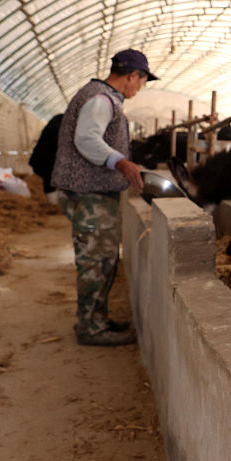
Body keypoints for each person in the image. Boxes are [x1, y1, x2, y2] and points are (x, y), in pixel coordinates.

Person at [51, 49, 156, 346]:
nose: (140, 87)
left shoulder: (102, 97)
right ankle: (90, 329)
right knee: (95, 260)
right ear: (132, 75)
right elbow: (86, 139)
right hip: (91, 194)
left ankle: (96, 320)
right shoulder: (101, 99)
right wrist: (121, 162)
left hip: (94, 194)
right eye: (142, 80)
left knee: (104, 258)